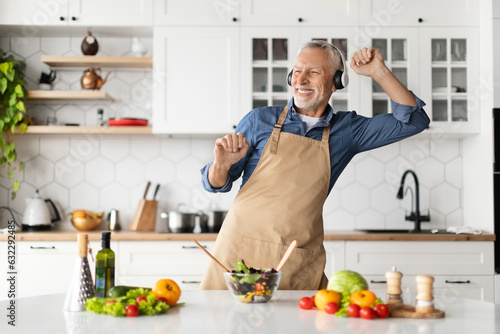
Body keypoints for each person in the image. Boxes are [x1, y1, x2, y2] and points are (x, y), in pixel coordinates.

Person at [199, 41, 430, 290]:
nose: (301, 79)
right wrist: (220, 166)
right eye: (297, 71)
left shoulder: (347, 131)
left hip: (295, 257)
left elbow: (414, 121)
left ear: (336, 82)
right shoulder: (259, 120)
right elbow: (216, 185)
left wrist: (379, 72)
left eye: (314, 72)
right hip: (238, 253)